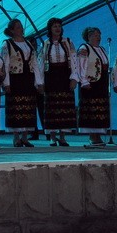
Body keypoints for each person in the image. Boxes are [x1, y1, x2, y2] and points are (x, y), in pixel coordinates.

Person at [1, 18, 43, 147]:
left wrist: (39, 82)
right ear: (12, 30)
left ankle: (25, 136)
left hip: (28, 78)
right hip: (15, 78)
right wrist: (6, 83)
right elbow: (5, 64)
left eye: (21, 27)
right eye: (18, 27)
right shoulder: (7, 44)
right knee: (16, 107)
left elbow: (35, 64)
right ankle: (16, 137)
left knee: (28, 107)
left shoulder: (28, 43)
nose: (21, 29)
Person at [38, 17, 78, 147]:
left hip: (65, 76)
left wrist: (74, 78)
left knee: (64, 107)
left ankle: (63, 136)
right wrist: (40, 82)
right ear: (50, 29)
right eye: (54, 26)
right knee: (52, 107)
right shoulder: (45, 44)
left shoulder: (68, 42)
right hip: (51, 77)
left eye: (59, 26)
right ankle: (52, 137)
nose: (57, 28)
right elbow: (41, 63)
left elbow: (74, 60)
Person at [76, 27, 110, 147]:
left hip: (101, 83)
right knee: (91, 109)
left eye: (99, 35)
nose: (98, 37)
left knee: (100, 109)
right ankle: (92, 136)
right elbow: (80, 66)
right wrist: (84, 81)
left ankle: (98, 135)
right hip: (90, 83)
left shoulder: (102, 49)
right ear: (88, 37)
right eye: (95, 35)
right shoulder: (84, 48)